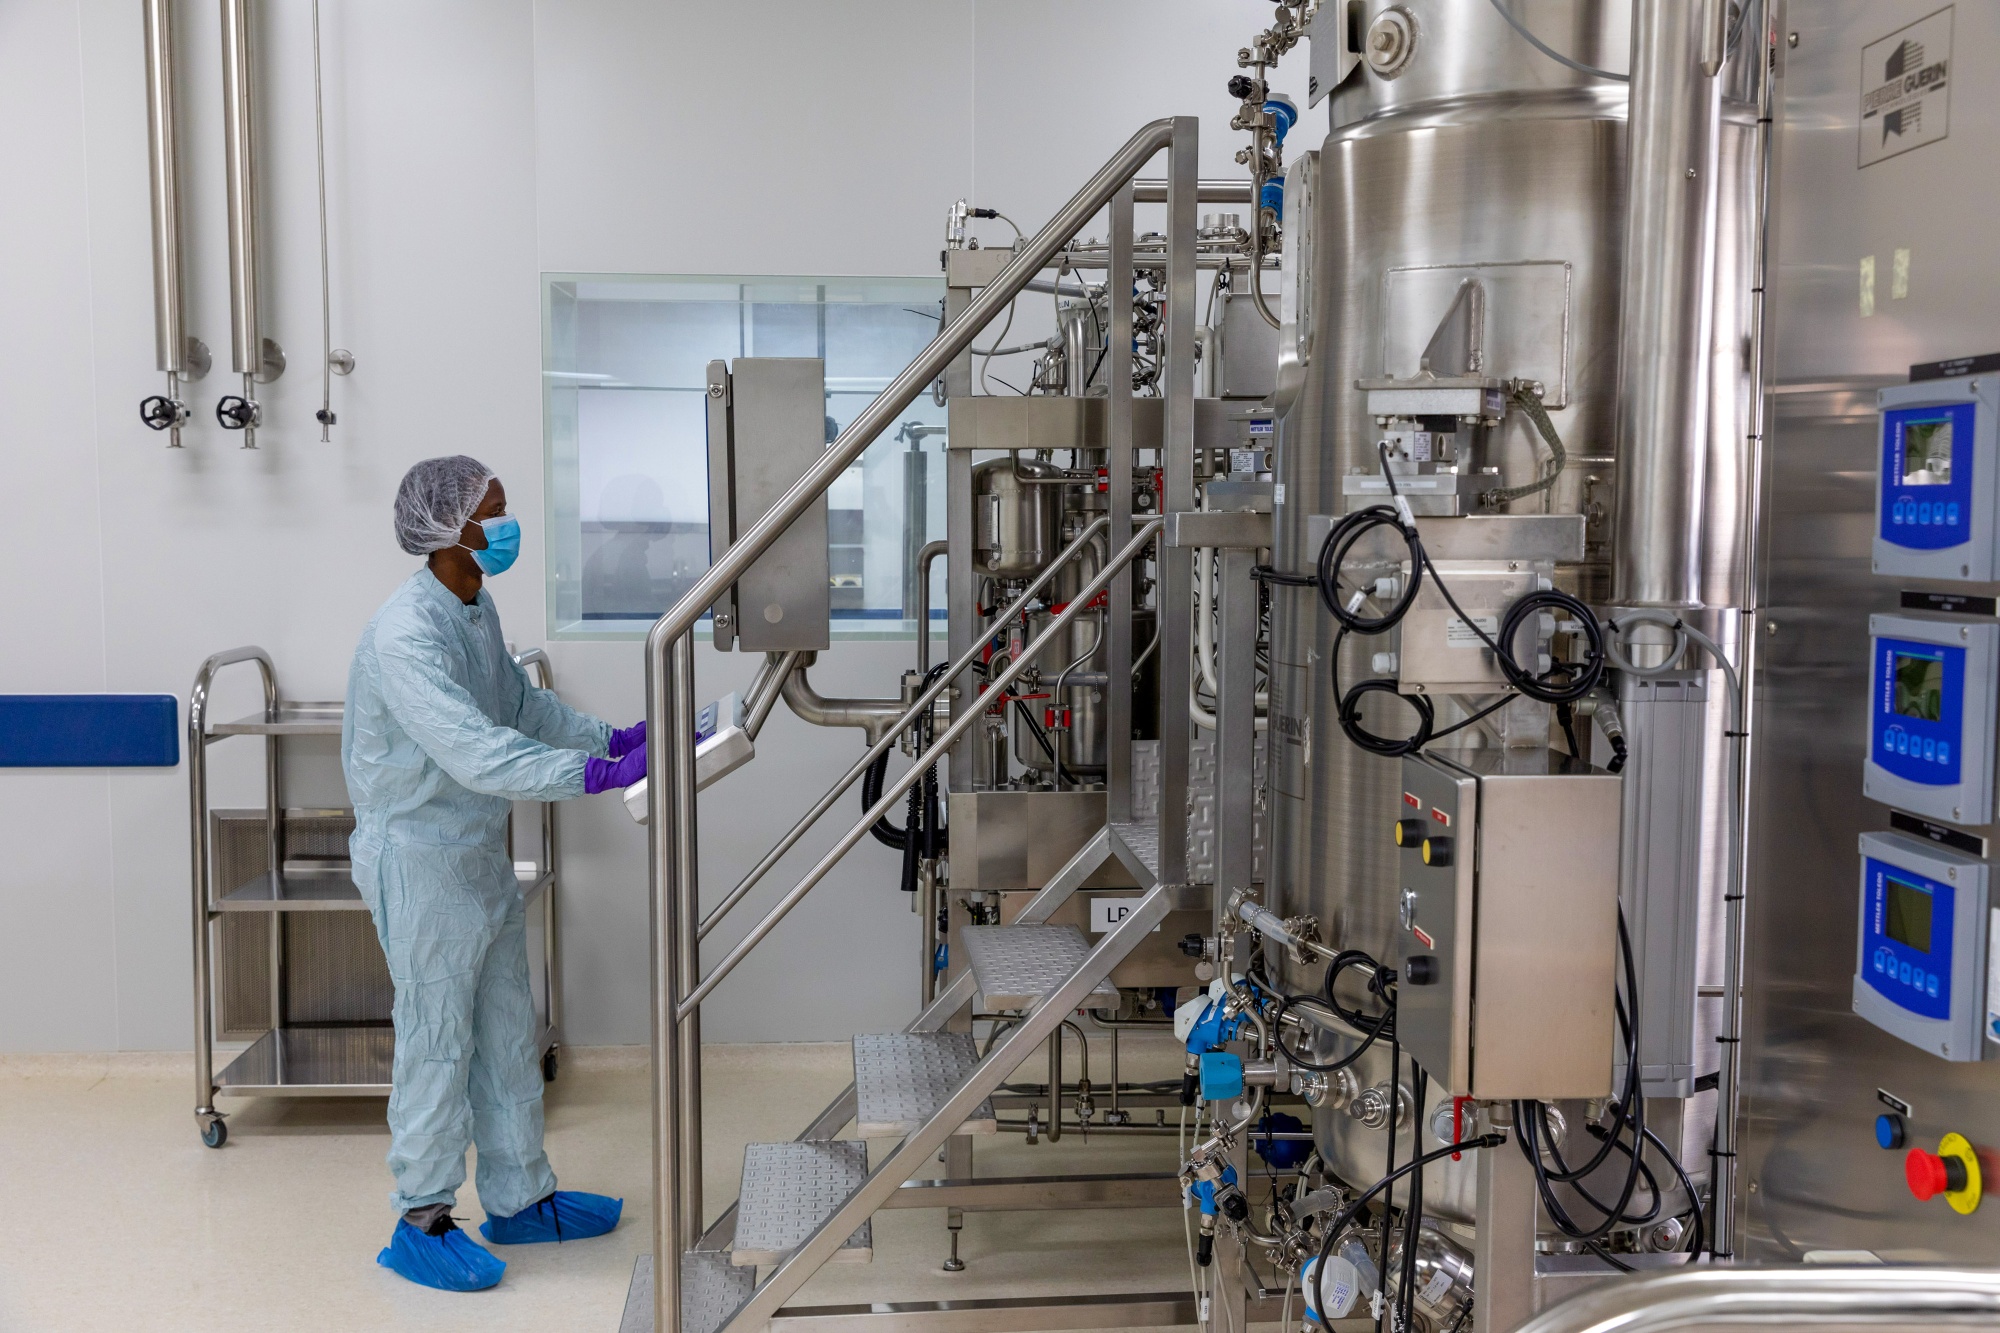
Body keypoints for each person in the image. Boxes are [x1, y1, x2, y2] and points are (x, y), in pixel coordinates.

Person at [343, 456, 647, 1292]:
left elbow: (518, 706)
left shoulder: (475, 606)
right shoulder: (405, 635)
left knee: (509, 1028)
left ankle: (520, 1196)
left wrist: (611, 739)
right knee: (438, 1039)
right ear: (450, 528)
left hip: (475, 849)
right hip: (419, 859)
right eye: (496, 512)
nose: (508, 526)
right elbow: (477, 751)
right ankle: (422, 1217)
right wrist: (595, 776)